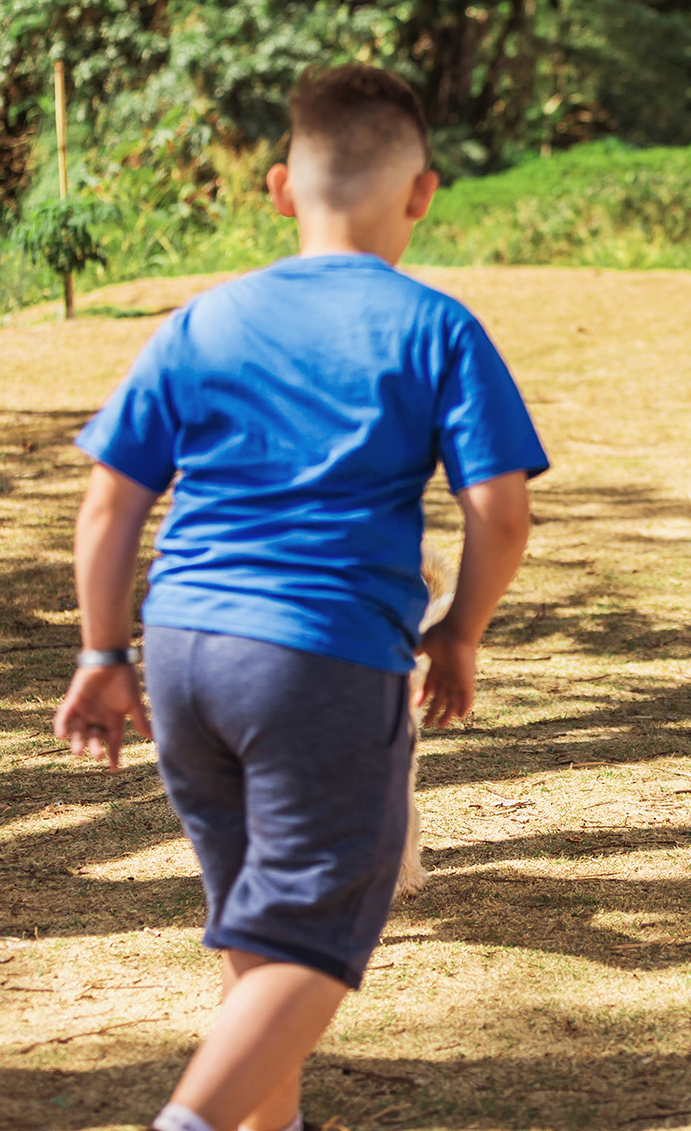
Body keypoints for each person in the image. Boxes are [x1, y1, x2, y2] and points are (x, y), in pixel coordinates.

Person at [52, 64, 548, 1131]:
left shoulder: (202, 320)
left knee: (255, 918)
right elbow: (500, 513)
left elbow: (107, 507)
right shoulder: (436, 325)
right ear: (423, 193)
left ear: (281, 187)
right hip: (318, 655)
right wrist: (458, 631)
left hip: (183, 648)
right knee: (319, 931)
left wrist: (102, 653)